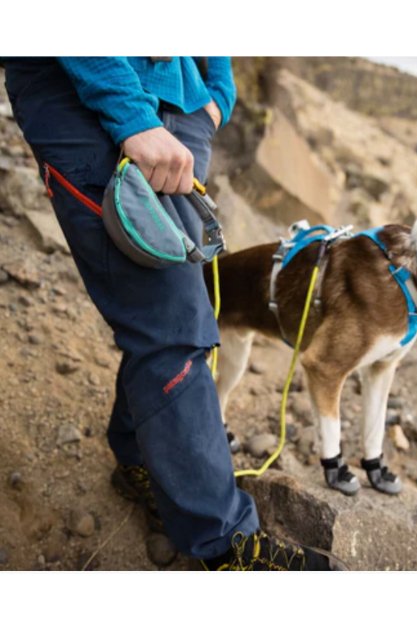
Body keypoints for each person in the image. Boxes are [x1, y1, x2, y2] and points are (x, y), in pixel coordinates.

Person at [3, 56, 343, 570]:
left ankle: (138, 457)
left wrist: (216, 96)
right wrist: (132, 115)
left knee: (177, 308)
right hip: (91, 93)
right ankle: (223, 545)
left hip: (182, 112)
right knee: (175, 322)